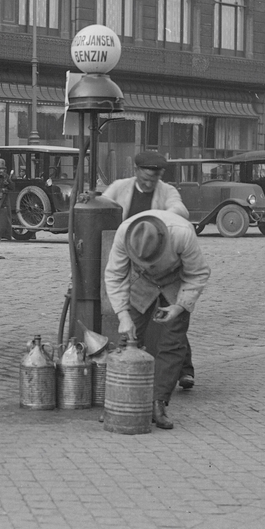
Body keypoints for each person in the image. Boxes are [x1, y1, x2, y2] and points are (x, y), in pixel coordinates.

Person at [104, 210, 211, 429]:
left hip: (174, 285)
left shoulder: (183, 234)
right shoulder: (125, 233)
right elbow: (115, 275)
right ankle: (118, 402)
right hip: (141, 284)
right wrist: (123, 316)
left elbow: (198, 273)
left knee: (172, 344)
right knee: (127, 341)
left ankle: (158, 403)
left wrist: (179, 307)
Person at [101, 150, 197, 389]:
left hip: (164, 259)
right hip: (135, 260)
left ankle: (184, 369)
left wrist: (157, 221)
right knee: (137, 319)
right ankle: (135, 374)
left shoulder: (168, 192)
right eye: (145, 177)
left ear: (160, 175)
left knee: (174, 316)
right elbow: (103, 205)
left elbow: (180, 210)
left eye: (154, 178)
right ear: (136, 171)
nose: (149, 182)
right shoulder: (119, 188)